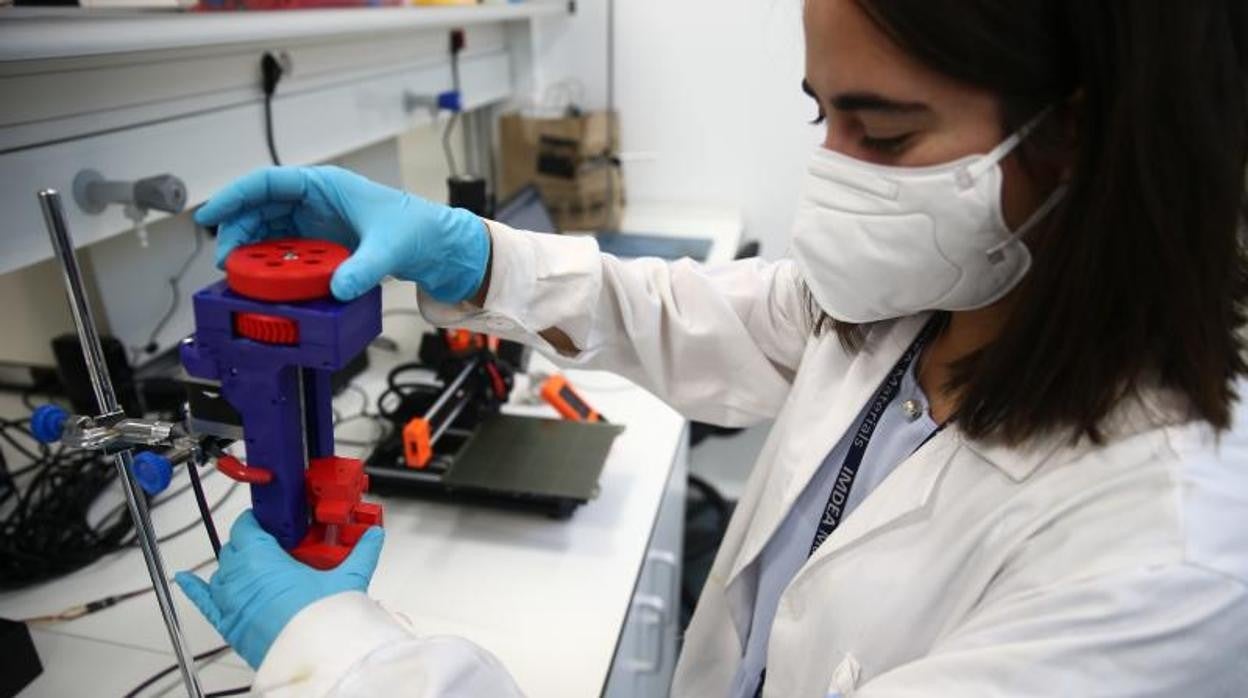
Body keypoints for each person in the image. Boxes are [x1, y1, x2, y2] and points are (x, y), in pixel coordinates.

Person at [176, 1, 1248, 696]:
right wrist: (472, 258)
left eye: (881, 134)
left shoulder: (1167, 557)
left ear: (1078, 139)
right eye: (820, 114)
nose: (836, 172)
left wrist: (342, 653)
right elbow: (696, 313)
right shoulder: (950, 294)